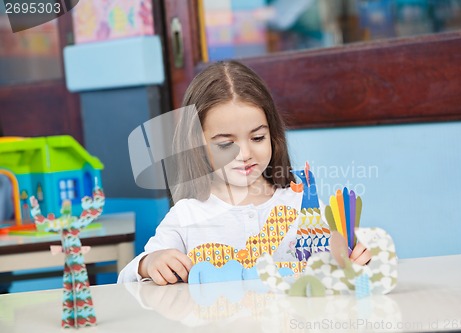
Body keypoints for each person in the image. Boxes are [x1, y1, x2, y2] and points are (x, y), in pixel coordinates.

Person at [118, 60, 371, 285]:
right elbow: (127, 277)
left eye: (258, 137)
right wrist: (149, 263)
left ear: (273, 135)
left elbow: (341, 262)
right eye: (226, 143)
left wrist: (354, 259)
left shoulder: (302, 204)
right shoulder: (187, 215)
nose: (244, 154)